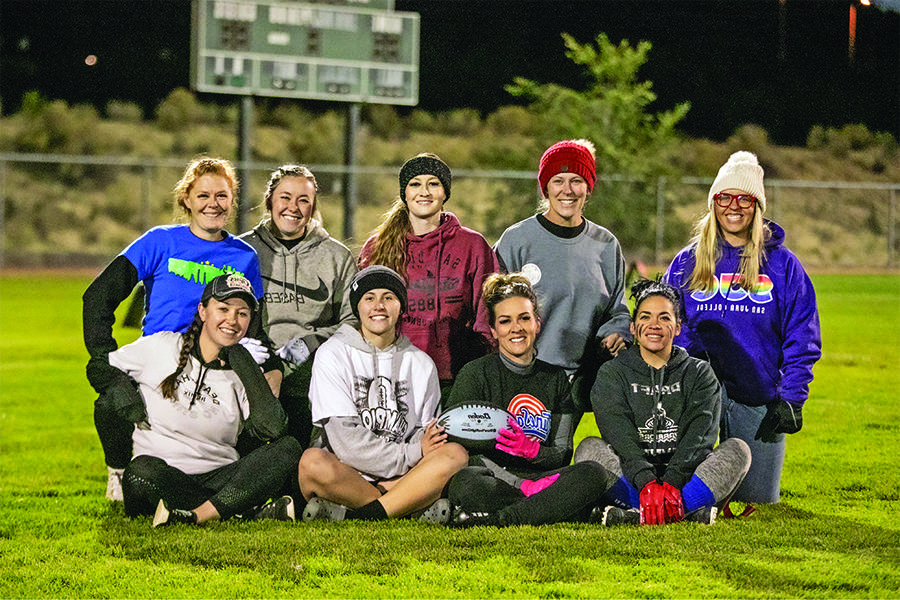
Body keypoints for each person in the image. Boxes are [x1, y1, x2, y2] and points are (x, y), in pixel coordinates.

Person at [83, 156, 283, 502]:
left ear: (232, 201)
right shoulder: (159, 242)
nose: (212, 204)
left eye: (221, 195)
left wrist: (268, 366)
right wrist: (107, 362)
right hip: (161, 360)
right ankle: (118, 470)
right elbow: (98, 296)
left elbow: (253, 322)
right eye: (202, 195)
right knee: (108, 404)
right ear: (186, 199)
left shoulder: (244, 256)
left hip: (217, 363)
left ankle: (235, 483)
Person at [663, 151, 821, 511]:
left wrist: (793, 397)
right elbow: (669, 324)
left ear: (757, 205)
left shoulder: (782, 264)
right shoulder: (688, 260)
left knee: (758, 502)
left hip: (756, 392)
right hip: (697, 393)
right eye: (724, 197)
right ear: (713, 202)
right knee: (686, 494)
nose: (733, 207)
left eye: (744, 199)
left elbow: (802, 333)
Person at [108, 273, 303, 527]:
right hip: (163, 474)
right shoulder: (161, 346)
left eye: (242, 314)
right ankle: (236, 510)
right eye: (223, 309)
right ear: (202, 311)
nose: (232, 320)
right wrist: (121, 388)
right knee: (141, 471)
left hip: (220, 476)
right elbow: (103, 367)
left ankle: (198, 515)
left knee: (288, 449)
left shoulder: (244, 369)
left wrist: (243, 360)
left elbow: (273, 428)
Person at [443, 273, 619, 527]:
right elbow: (464, 450)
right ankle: (565, 510)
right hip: (494, 478)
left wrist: (531, 449)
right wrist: (521, 484)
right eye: (505, 321)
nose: (517, 328)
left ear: (537, 323)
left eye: (524, 318)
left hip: (545, 478)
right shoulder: (475, 373)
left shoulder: (555, 377)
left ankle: (502, 519)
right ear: (493, 329)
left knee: (593, 473)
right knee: (465, 482)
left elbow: (561, 454)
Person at [297, 265, 469, 523]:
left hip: (401, 476)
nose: (379, 305)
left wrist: (414, 457)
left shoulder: (421, 363)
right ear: (358, 308)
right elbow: (345, 442)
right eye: (369, 298)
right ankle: (406, 506)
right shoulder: (332, 354)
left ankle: (362, 514)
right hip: (348, 473)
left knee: (456, 455)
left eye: (388, 297)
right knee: (312, 463)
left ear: (401, 307)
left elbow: (427, 437)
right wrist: (411, 455)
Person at [574, 278, 752, 526]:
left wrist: (672, 482)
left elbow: (700, 436)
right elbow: (619, 436)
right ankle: (685, 512)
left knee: (739, 450)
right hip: (632, 473)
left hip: (686, 476)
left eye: (664, 318)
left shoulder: (699, 372)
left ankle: (641, 514)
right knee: (587, 449)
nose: (654, 325)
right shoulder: (612, 372)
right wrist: (647, 481)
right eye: (645, 317)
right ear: (634, 327)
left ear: (678, 327)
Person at [493, 139, 631, 415]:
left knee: (568, 454)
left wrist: (616, 332)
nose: (567, 190)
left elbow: (618, 310)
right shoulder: (517, 240)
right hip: (525, 379)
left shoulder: (606, 245)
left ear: (588, 187)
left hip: (582, 382)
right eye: (558, 180)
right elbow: (491, 310)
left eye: (577, 180)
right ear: (545, 187)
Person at [358, 153, 499, 392]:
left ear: (445, 193)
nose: (424, 192)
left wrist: (482, 368)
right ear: (405, 194)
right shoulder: (377, 246)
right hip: (395, 376)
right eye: (415, 184)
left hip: (456, 377)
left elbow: (487, 315)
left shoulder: (472, 245)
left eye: (433, 184)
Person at [240, 165, 358, 449]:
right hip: (251, 365)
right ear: (269, 200)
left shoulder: (336, 256)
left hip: (310, 372)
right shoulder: (242, 250)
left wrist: (312, 342)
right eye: (285, 197)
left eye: (303, 200)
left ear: (313, 206)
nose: (293, 207)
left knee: (296, 444)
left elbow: (354, 321)